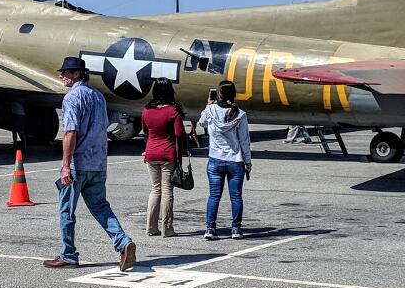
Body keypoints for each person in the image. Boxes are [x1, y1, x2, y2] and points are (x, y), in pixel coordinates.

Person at [43, 56, 136, 271]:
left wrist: (65, 165)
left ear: (77, 74)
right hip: (98, 162)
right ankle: (122, 241)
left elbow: (70, 132)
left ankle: (68, 254)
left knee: (66, 210)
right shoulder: (98, 96)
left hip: (78, 164)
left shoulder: (72, 98)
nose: (62, 76)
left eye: (66, 72)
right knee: (100, 206)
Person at [198, 79, 253, 239]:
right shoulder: (240, 114)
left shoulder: (210, 110)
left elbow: (202, 123)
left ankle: (210, 228)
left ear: (219, 94)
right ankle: (236, 229)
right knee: (236, 197)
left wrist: (208, 105)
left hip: (215, 159)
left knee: (214, 196)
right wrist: (248, 161)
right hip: (235, 160)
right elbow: (244, 141)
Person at [141, 78, 188, 237]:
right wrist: (181, 152)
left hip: (151, 152)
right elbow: (179, 134)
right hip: (168, 153)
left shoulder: (147, 110)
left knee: (155, 189)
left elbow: (146, 131)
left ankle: (151, 227)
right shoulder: (173, 110)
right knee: (167, 190)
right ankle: (167, 228)